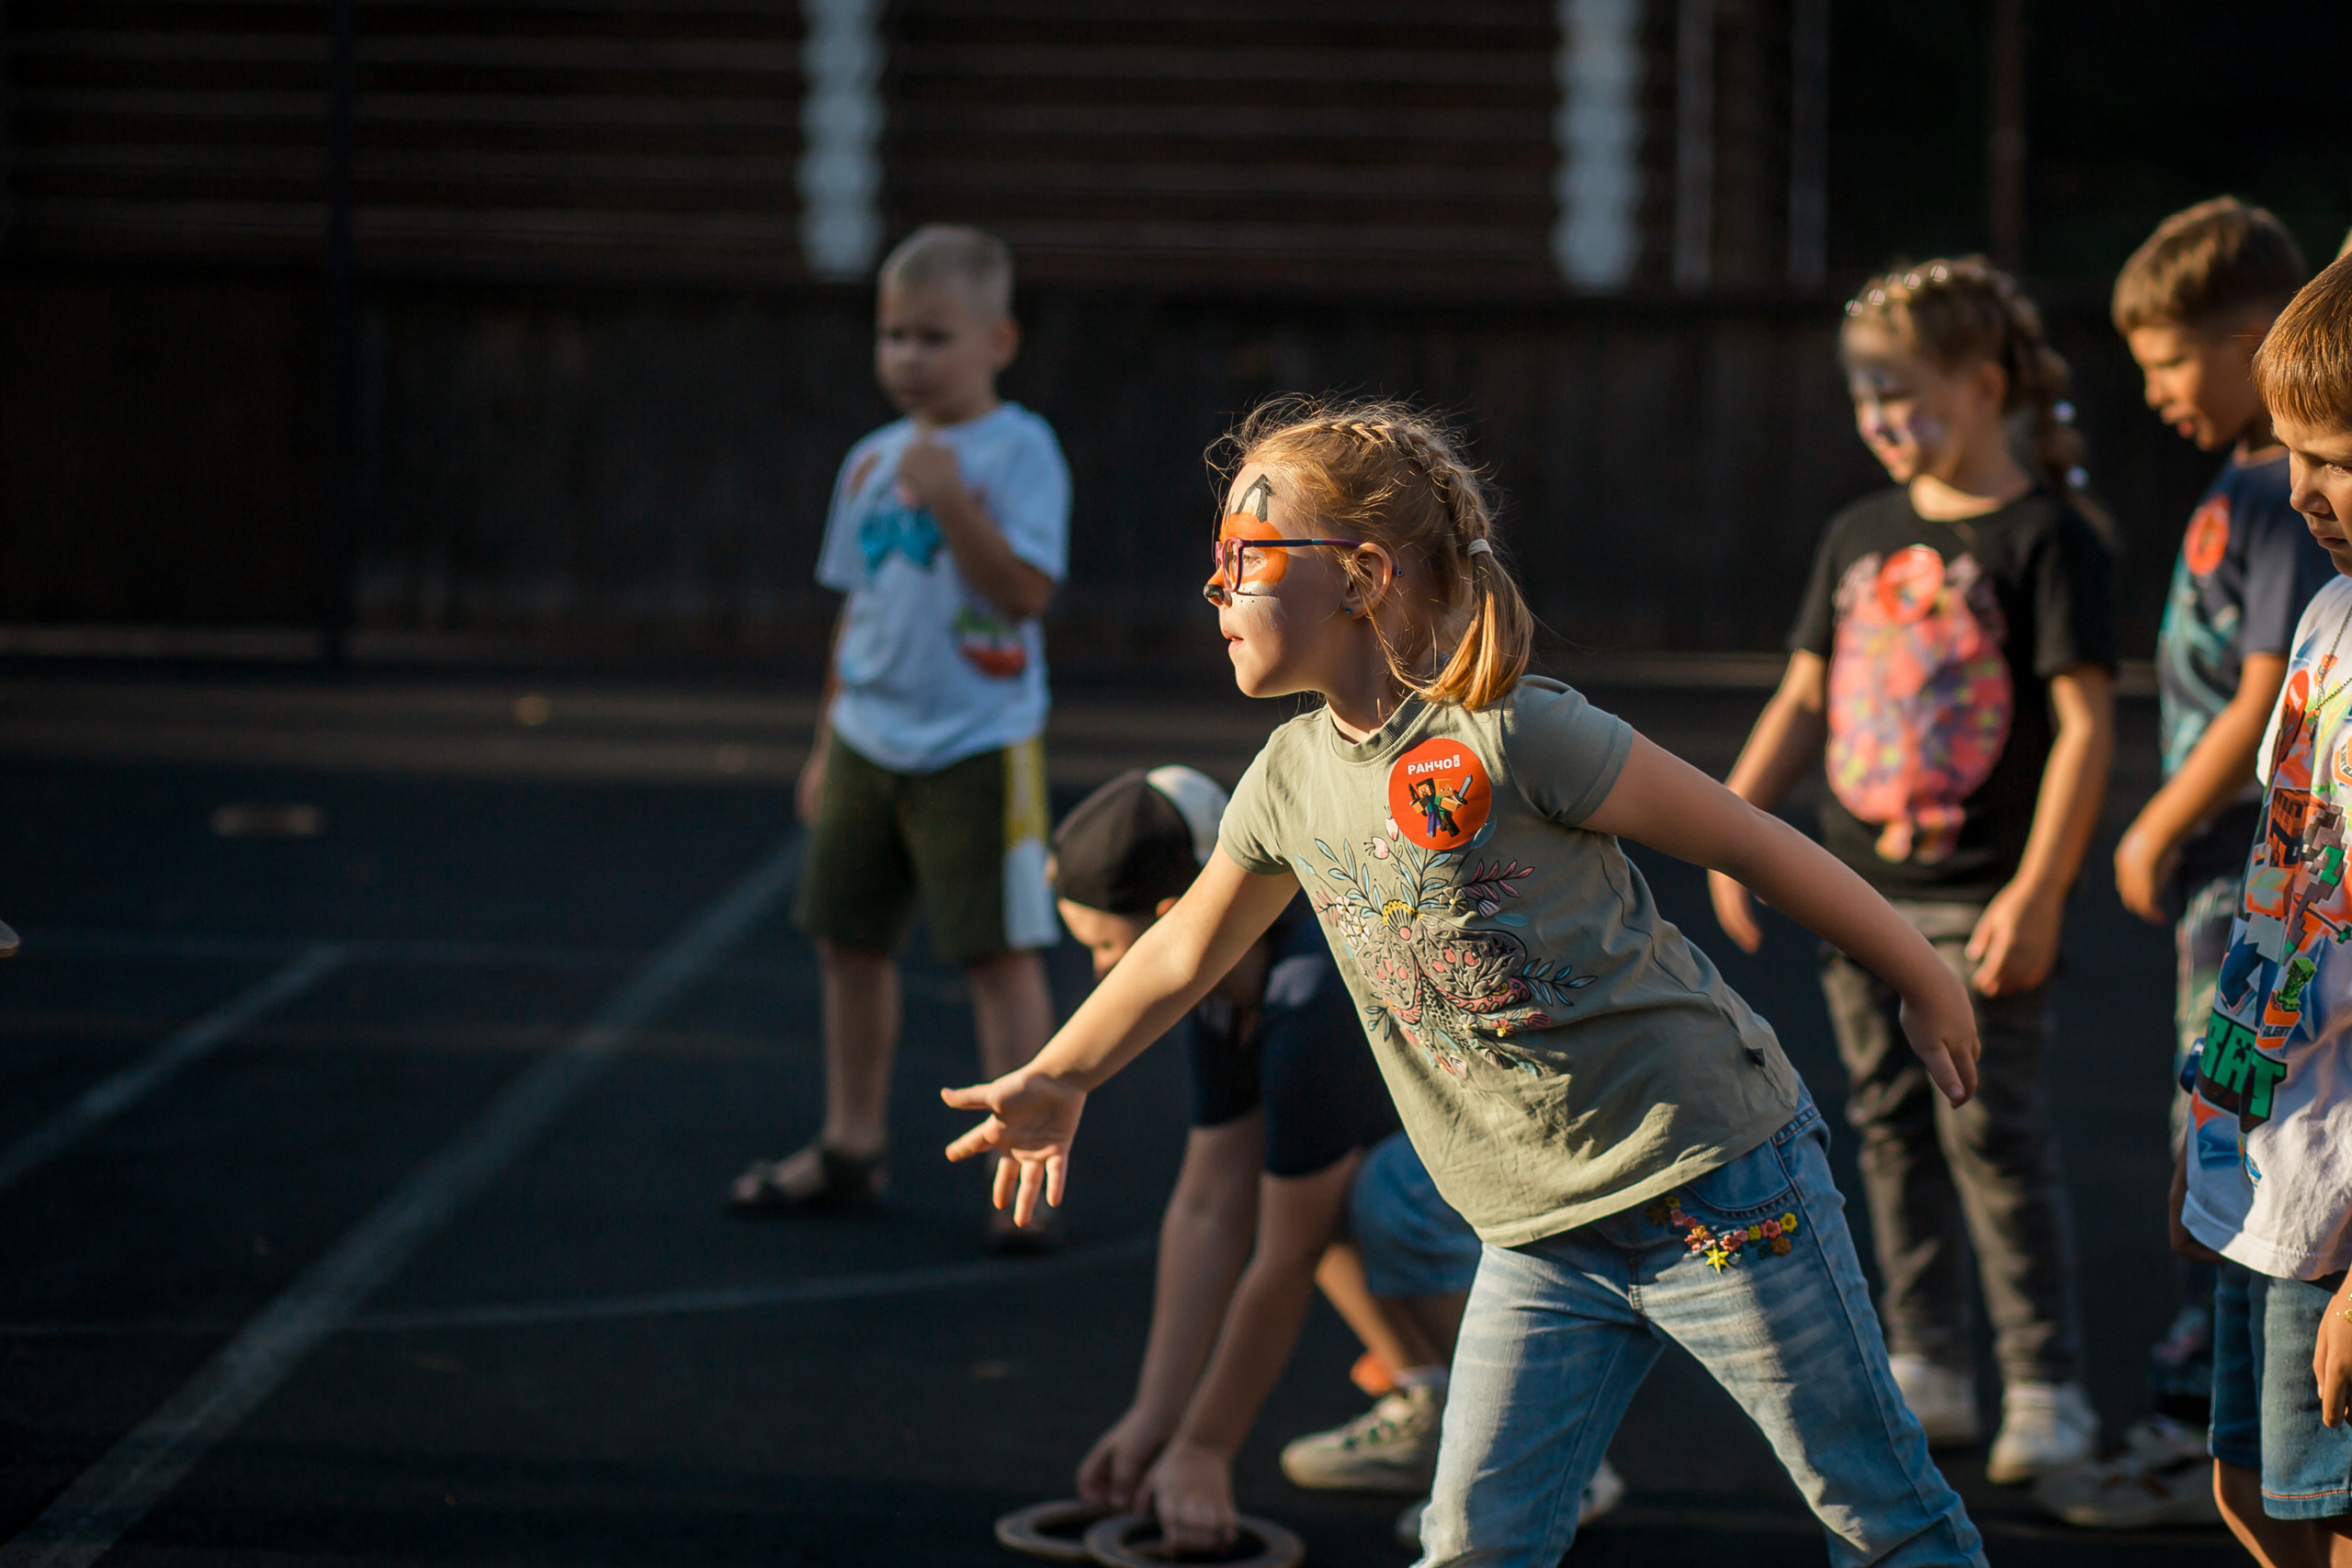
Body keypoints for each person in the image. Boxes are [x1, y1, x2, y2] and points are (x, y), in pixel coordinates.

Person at [944, 398, 1988, 1566]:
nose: (1215, 589)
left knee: (1879, 1513)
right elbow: (1184, 948)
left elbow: (1749, 841)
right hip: (1536, 1238)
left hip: (1714, 1182)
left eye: (1245, 557)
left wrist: (1920, 973)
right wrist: (1061, 1075)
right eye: (1216, 560)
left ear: (1360, 576)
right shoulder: (1287, 778)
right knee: (1473, 1546)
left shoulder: (1512, 731)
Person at [1710, 257, 2118, 1483]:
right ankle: (1930, 1359)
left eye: (1901, 392)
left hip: (1981, 904)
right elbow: (1803, 696)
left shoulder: (2051, 538)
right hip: (1858, 899)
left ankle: (2044, 1380)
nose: (1879, 418)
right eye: (1864, 395)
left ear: (1984, 385)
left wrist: (2038, 892)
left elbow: (2086, 727)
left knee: (1993, 1133)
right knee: (1887, 1127)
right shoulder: (1857, 534)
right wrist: (1735, 827)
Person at [1047, 767, 1623, 1546]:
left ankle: (1555, 1449)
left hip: (1568, 1144)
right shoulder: (1227, 988)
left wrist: (1205, 1447)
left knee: (1375, 1197)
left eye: (1106, 947)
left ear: (1172, 920)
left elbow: (1286, 1256)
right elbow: (1209, 1206)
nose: (1100, 975)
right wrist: (1158, 1416)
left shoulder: (1310, 991)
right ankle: (1436, 1401)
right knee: (1307, 1181)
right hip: (1464, 1151)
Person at [2038, 198, 2324, 1530]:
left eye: (2166, 362)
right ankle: (2211, 1408)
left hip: (2249, 874)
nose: (2152, 393)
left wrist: (2154, 822)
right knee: (2205, 1126)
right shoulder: (2252, 488)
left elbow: (2266, 692)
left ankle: (2197, 1407)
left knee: (2242, 1142)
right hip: (2239, 884)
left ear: (2253, 335)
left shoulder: (2280, 497)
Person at [729, 224, 1071, 1251]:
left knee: (998, 954)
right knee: (846, 940)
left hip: (978, 741)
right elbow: (862, 607)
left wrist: (953, 499)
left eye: (933, 337)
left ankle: (1022, 1175)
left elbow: (1023, 593)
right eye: (893, 337)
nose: (908, 358)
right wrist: (825, 740)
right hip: (867, 738)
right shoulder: (870, 462)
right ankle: (851, 1144)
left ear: (997, 342)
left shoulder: (1020, 450)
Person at [2175, 251, 2352, 1568]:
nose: (2298, 490)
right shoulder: (2330, 616)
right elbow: (2281, 899)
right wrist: (2212, 1133)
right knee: (2248, 1493)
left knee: (2328, 1518)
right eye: (2293, 451)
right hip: (2266, 1166)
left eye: (2336, 458)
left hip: (2340, 1212)